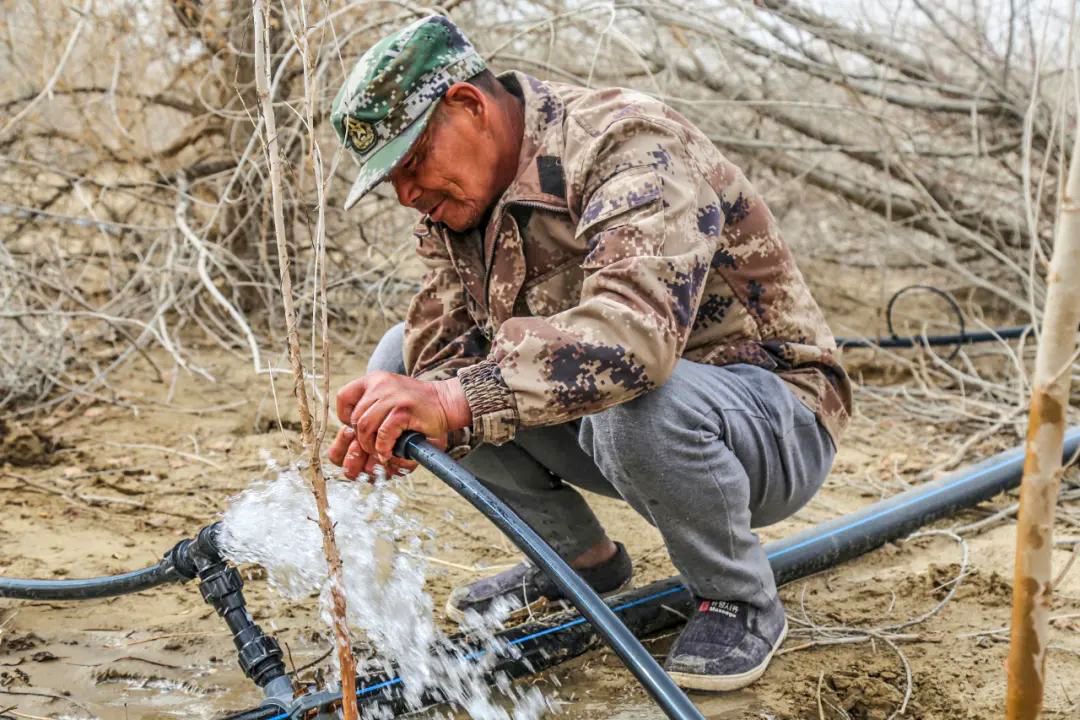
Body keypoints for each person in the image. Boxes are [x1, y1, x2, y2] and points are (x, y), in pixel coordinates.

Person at [326, 14, 852, 692]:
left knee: (634, 398)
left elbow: (634, 339)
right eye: (390, 177)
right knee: (400, 368)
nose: (406, 193)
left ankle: (740, 598)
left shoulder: (627, 144)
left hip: (771, 423)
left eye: (413, 161)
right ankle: (577, 560)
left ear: (469, 106)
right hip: (628, 427)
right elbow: (437, 350)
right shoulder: (455, 205)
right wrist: (399, 418)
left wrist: (455, 400)